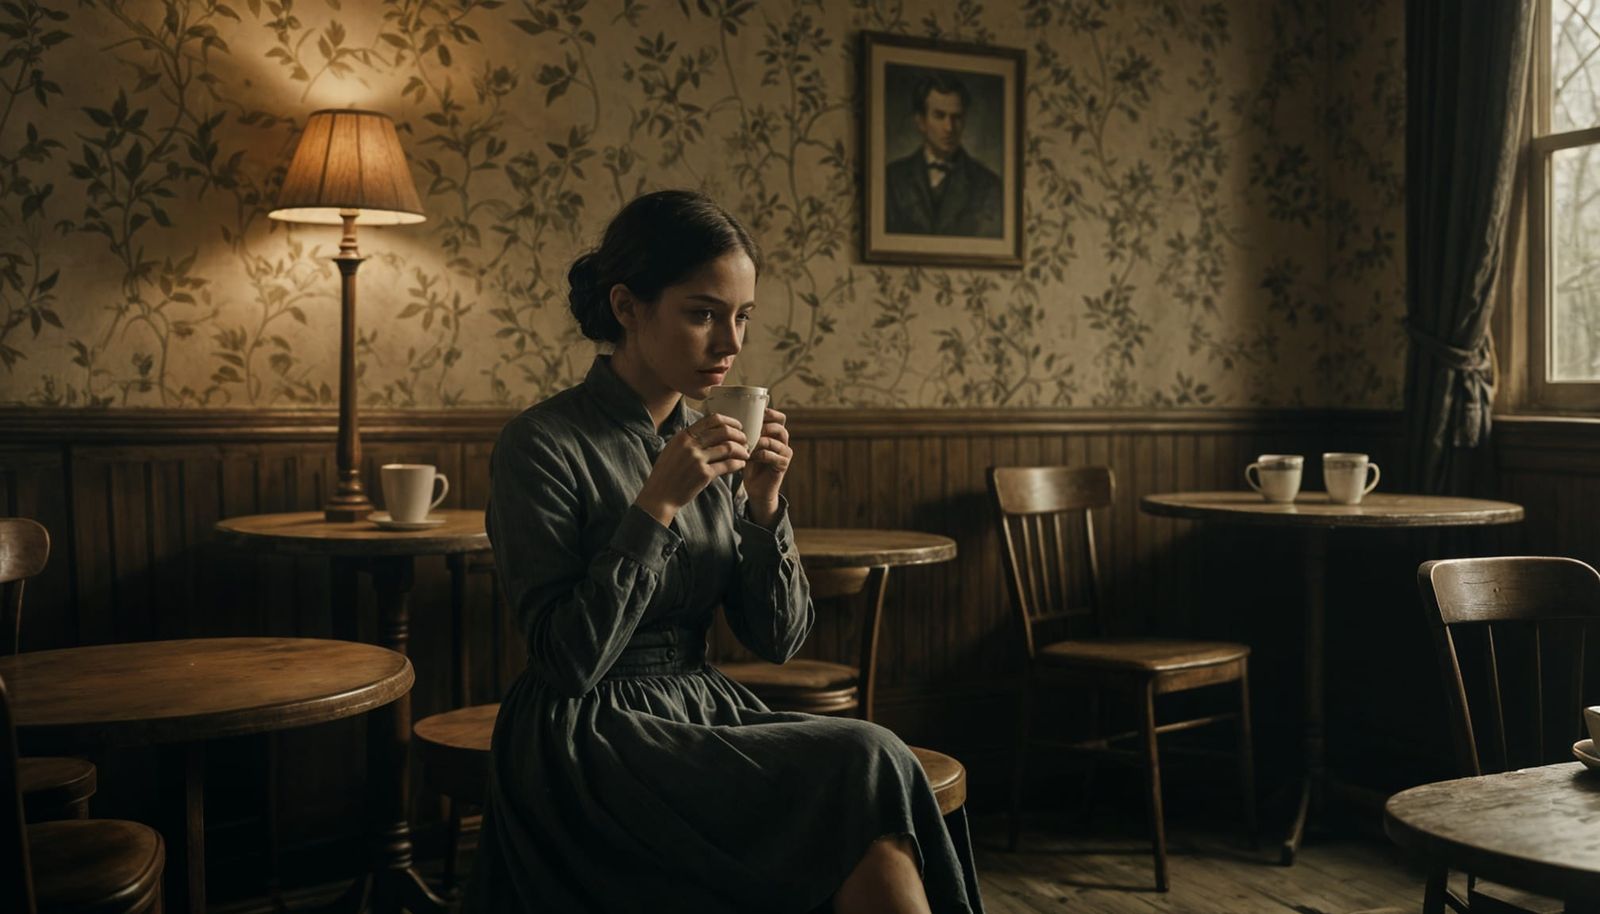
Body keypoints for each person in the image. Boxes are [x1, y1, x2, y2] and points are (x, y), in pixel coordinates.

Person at [467, 189, 983, 913]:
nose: (731, 344)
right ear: (626, 307)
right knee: (866, 759)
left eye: (742, 317)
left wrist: (766, 505)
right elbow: (567, 658)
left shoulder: (713, 438)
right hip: (587, 733)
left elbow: (778, 639)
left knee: (868, 804)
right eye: (703, 313)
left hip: (700, 706)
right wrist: (657, 504)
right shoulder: (542, 444)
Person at [884, 71, 1005, 238]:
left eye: (957, 117)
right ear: (920, 121)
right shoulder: (891, 179)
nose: (949, 128)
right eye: (939, 116)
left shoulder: (990, 186)